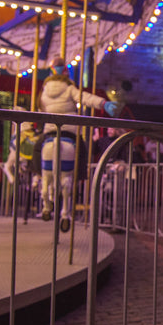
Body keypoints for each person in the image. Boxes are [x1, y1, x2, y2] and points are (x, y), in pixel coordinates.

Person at [38, 56, 118, 230]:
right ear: (65, 72)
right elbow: (85, 97)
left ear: (52, 71)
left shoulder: (44, 90)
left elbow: (41, 107)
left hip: (51, 130)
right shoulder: (69, 88)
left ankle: (37, 175)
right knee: (81, 150)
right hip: (68, 132)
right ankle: (79, 179)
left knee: (39, 150)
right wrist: (103, 104)